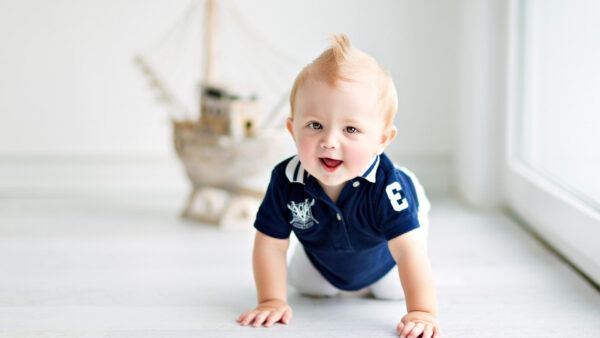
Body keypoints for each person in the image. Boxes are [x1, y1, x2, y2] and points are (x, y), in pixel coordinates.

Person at [237, 33, 442, 338]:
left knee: (391, 291)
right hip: (323, 252)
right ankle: (319, 264)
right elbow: (270, 244)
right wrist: (271, 300)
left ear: (382, 140)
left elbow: (408, 252)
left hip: (385, 255)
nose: (329, 142)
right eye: (315, 125)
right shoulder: (286, 179)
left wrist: (422, 311)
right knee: (310, 287)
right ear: (293, 130)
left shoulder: (387, 188)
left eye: (350, 129)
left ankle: (414, 212)